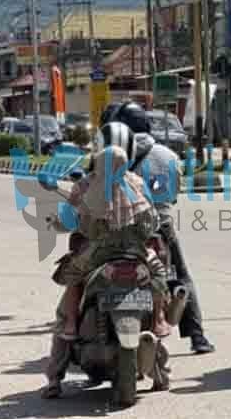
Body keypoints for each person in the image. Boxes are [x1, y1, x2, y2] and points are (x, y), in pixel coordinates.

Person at [43, 144, 171, 399]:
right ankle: (158, 323)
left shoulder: (85, 186)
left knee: (72, 282)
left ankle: (57, 372)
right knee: (158, 277)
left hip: (96, 254)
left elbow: (68, 221)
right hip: (136, 253)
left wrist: (54, 222)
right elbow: (153, 220)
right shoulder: (135, 182)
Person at [101, 103, 215, 354]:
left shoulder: (115, 154)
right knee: (179, 276)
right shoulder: (169, 156)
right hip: (161, 226)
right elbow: (173, 195)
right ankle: (197, 337)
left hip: (124, 225)